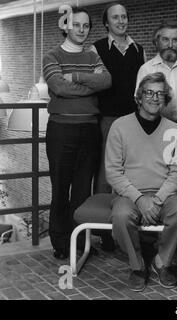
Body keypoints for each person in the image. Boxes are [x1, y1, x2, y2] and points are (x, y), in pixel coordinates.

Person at [106, 72, 177, 292]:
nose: (154, 98)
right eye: (149, 93)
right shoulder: (119, 126)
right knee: (121, 215)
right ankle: (137, 266)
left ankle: (161, 263)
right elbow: (113, 173)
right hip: (129, 194)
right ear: (139, 96)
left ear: (165, 99)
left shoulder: (173, 130)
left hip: (164, 193)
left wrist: (157, 199)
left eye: (160, 94)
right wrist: (140, 199)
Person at [43, 7, 111, 260]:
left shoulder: (93, 56)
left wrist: (75, 77)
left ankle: (80, 242)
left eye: (86, 26)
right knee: (61, 188)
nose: (82, 30)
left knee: (83, 190)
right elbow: (58, 86)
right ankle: (60, 243)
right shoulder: (52, 56)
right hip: (61, 130)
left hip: (89, 129)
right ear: (65, 27)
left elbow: (106, 81)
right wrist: (88, 86)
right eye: (76, 25)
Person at [90, 2, 146, 195]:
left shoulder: (139, 50)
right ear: (106, 23)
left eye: (124, 17)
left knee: (132, 168)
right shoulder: (96, 49)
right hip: (107, 120)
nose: (121, 21)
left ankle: (127, 212)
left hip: (134, 119)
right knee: (106, 169)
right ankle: (99, 220)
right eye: (115, 17)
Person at [135, 22, 177, 132]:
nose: (170, 45)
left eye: (175, 40)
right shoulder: (146, 69)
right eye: (165, 39)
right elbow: (140, 101)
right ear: (157, 42)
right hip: (155, 128)